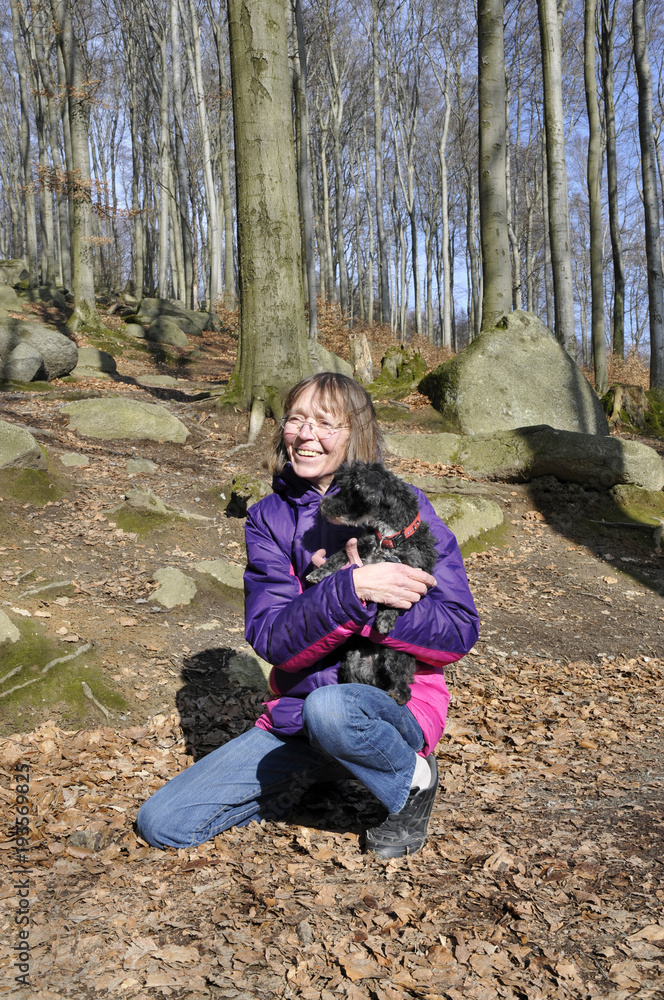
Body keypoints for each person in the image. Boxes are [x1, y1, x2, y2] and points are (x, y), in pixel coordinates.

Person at [136, 372, 479, 858]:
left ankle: (413, 778)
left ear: (356, 434)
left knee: (333, 710)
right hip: (296, 719)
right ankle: (325, 768)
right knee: (163, 823)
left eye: (325, 422)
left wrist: (376, 608)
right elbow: (271, 639)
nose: (305, 433)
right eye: (296, 419)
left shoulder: (405, 505)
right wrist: (350, 589)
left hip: (389, 708)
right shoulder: (268, 519)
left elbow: (459, 632)